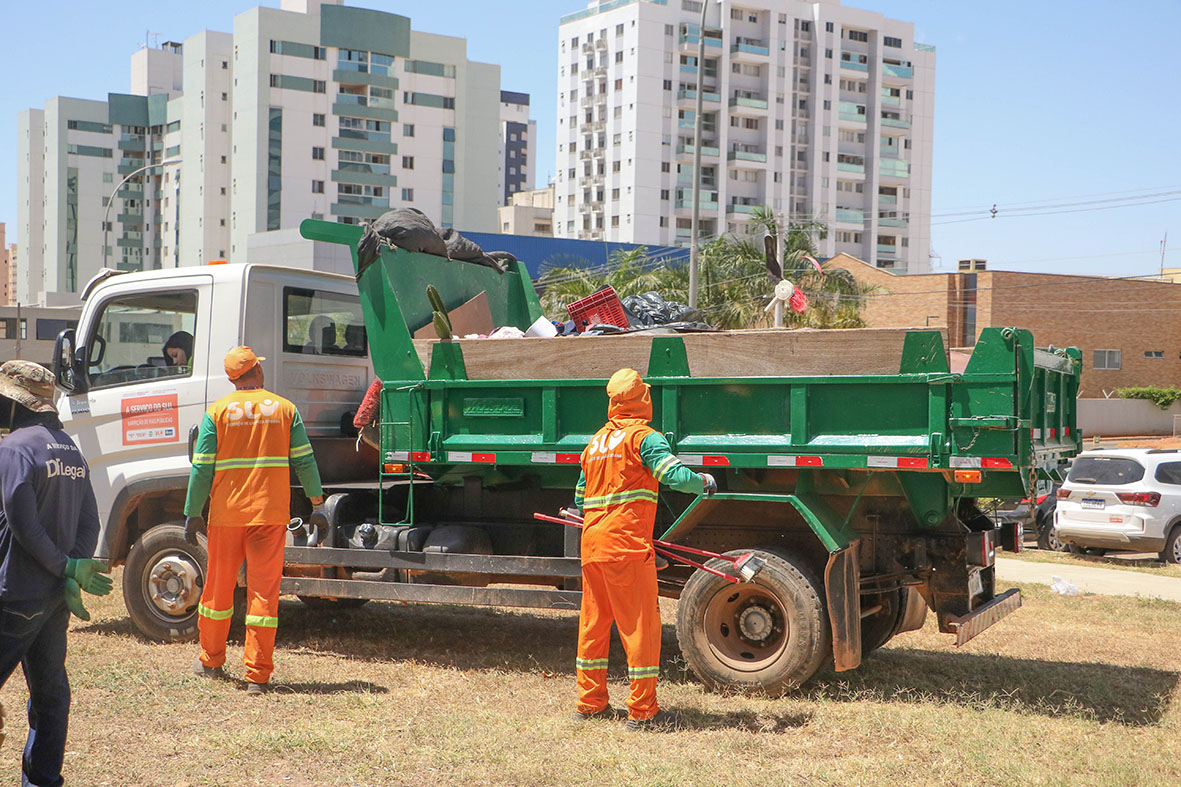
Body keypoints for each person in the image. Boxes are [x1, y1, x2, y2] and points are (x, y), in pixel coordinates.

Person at [572, 368, 716, 731]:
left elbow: (579, 496)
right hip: (626, 545)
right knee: (640, 627)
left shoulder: (595, 443)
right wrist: (704, 483)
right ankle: (643, 711)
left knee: (594, 624)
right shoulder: (645, 438)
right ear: (642, 400)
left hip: (592, 543)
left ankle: (590, 703)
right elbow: (675, 476)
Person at [183, 346, 324, 695]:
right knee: (264, 593)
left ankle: (211, 661)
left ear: (232, 378)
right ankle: (257, 677)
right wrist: (317, 502)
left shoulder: (216, 412)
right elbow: (304, 461)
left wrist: (191, 512)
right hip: (270, 515)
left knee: (218, 589)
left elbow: (201, 468)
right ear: (257, 373)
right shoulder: (285, 409)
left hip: (227, 516)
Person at [0, 360, 111, 786]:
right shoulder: (69, 449)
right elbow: (90, 520)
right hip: (51, 600)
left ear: (16, 405)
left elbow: (22, 523)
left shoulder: (14, 448)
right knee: (50, 697)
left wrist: (66, 566)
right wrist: (70, 571)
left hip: (15, 595)